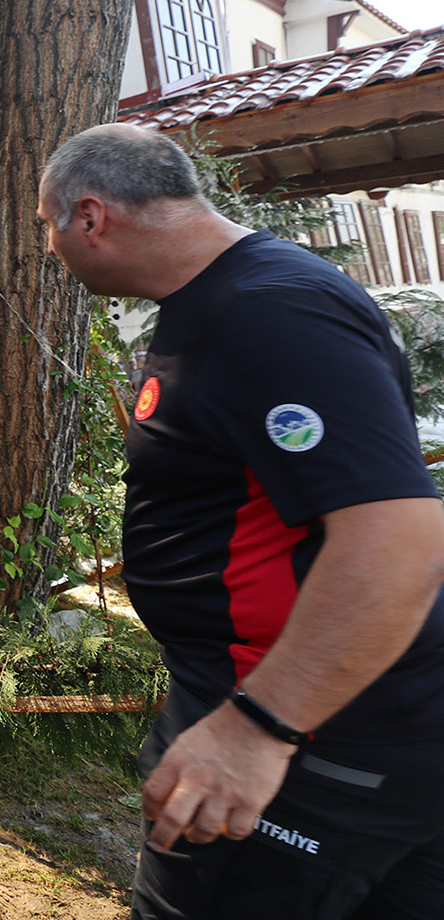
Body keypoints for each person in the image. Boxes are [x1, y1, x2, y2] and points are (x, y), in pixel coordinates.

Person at [36, 123, 444, 919]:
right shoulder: (235, 297)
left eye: (48, 226)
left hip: (319, 743)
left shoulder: (265, 314)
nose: (50, 249)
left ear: (90, 217)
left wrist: (258, 728)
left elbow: (398, 538)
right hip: (346, 725)